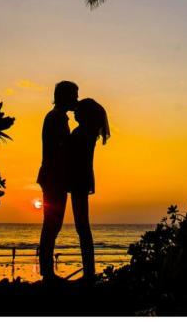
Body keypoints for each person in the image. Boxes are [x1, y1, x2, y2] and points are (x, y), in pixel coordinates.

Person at [37, 80, 78, 282]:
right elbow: (61, 149)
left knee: (53, 224)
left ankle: (46, 271)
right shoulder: (56, 118)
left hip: (54, 176)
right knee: (52, 223)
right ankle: (46, 272)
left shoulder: (58, 117)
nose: (76, 99)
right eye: (74, 95)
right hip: (53, 177)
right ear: (65, 97)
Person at [66, 98, 110, 284]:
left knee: (82, 226)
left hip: (79, 179)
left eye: (78, 110)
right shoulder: (88, 132)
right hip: (81, 179)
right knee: (82, 226)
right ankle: (89, 270)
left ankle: (89, 273)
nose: (74, 112)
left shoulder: (83, 132)